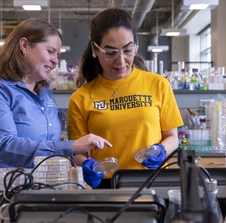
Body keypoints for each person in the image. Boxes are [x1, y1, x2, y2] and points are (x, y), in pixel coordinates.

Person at [0, 18, 112, 197]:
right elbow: (6, 146)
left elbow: (46, 145)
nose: (54, 61)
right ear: (24, 45)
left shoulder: (44, 93)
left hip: (35, 190)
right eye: (50, 51)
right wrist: (70, 146)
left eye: (58, 55)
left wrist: (80, 162)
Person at [68, 7, 183, 189]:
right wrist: (86, 164)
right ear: (95, 50)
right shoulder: (81, 98)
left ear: (135, 45)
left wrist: (162, 150)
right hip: (108, 185)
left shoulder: (158, 84)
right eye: (111, 52)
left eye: (128, 50)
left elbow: (172, 137)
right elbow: (77, 152)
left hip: (154, 182)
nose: (121, 61)